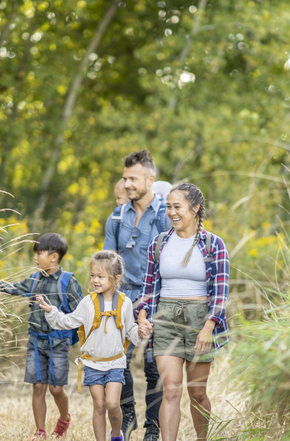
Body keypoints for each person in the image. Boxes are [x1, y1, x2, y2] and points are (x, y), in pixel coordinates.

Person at [136, 183, 230, 441]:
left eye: (177, 206)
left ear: (195, 208)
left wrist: (209, 327)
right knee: (171, 390)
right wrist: (142, 317)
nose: (171, 212)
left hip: (200, 319)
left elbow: (221, 293)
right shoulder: (159, 243)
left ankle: (202, 439)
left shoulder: (214, 244)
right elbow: (147, 289)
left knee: (197, 393)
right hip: (166, 318)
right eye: (168, 207)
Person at [0, 233, 81, 440]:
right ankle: (40, 432)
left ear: (54, 257)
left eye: (39, 253)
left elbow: (82, 313)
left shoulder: (68, 282)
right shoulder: (34, 279)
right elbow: (12, 288)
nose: (35, 258)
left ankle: (64, 418)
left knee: (56, 390)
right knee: (38, 387)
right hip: (36, 341)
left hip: (59, 343)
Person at [37, 250, 153, 441]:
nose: (95, 280)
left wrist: (141, 333)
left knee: (112, 404)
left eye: (100, 276)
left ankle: (116, 434)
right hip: (92, 364)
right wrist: (51, 311)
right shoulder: (87, 303)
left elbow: (130, 332)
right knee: (99, 405)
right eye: (93, 276)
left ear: (116, 278)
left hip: (115, 363)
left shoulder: (125, 303)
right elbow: (67, 321)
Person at [104, 150, 170, 441]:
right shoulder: (117, 217)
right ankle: (127, 414)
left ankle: (153, 427)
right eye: (125, 178)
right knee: (120, 362)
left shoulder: (168, 215)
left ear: (150, 179)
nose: (127, 184)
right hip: (124, 298)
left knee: (155, 367)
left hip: (159, 298)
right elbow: (108, 263)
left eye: (133, 178)